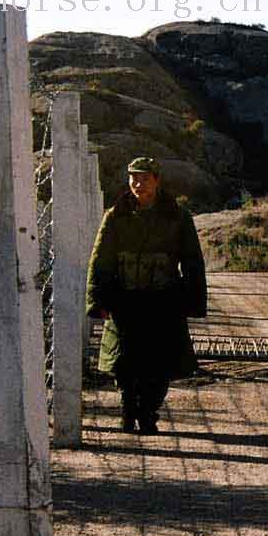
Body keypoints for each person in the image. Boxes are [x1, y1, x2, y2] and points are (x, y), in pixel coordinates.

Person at [86, 157, 207, 435]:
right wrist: (97, 300)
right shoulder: (116, 215)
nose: (138, 184)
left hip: (163, 301)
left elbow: (192, 261)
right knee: (124, 364)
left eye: (144, 178)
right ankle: (129, 409)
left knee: (160, 364)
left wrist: (194, 300)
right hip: (125, 300)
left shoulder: (177, 216)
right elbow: (100, 260)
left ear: (156, 180)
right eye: (133, 178)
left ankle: (148, 412)